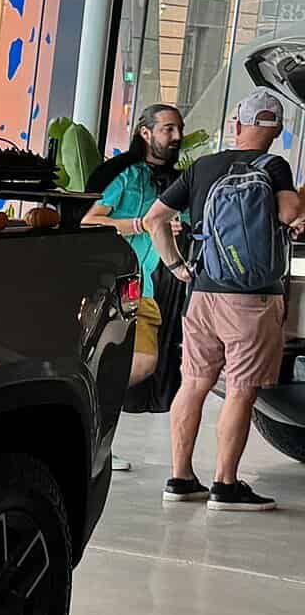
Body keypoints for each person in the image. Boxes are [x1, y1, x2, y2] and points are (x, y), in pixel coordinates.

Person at [143, 88, 302, 512]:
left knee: (194, 383)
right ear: (277, 131)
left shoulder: (204, 166)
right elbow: (289, 214)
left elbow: (155, 219)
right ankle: (225, 486)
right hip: (252, 300)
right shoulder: (274, 166)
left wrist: (177, 266)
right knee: (241, 389)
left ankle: (180, 479)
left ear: (238, 123)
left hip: (202, 293)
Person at [82, 103, 184, 466]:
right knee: (136, 363)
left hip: (144, 287)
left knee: (142, 363)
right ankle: (90, 439)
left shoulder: (173, 181)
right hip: (112, 285)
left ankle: (91, 437)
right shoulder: (125, 176)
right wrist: (140, 224)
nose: (176, 136)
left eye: (178, 129)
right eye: (168, 129)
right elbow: (90, 221)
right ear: (145, 132)